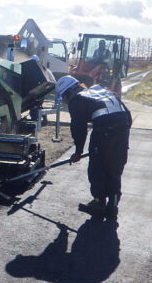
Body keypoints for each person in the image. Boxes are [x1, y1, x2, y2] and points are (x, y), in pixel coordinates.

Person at [55, 75, 132, 218]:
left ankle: (99, 202)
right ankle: (113, 203)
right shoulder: (102, 90)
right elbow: (127, 114)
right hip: (123, 128)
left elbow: (78, 128)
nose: (66, 102)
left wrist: (78, 152)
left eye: (64, 99)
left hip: (104, 130)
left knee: (97, 167)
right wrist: (121, 135)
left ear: (67, 93)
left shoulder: (77, 99)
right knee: (114, 166)